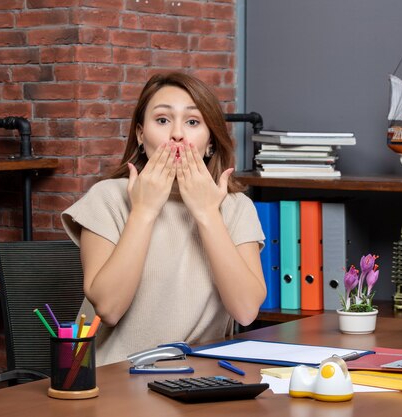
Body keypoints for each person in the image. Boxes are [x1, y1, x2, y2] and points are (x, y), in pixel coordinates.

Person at [61, 72, 266, 366]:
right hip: (115, 381)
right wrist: (144, 211)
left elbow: (246, 310)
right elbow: (109, 308)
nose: (178, 134)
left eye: (193, 122)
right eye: (162, 120)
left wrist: (207, 213)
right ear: (141, 135)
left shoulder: (235, 207)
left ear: (210, 142)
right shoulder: (107, 197)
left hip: (200, 379)